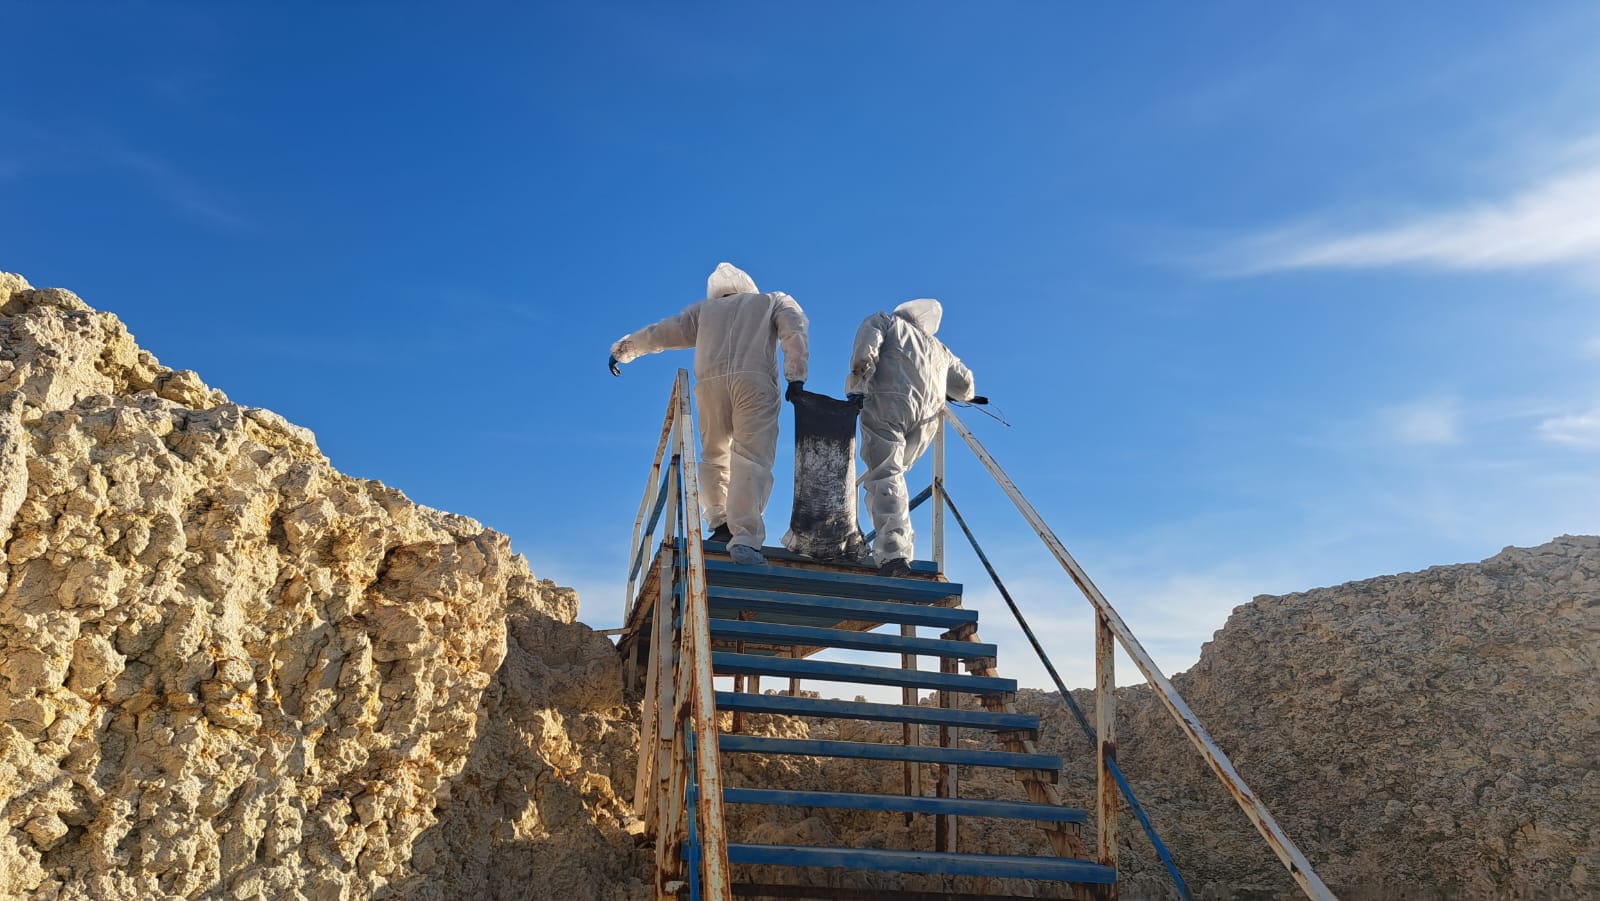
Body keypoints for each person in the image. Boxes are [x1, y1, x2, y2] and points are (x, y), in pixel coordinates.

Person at [608, 263, 809, 565]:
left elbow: (662, 332)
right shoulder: (771, 301)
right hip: (753, 382)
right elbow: (795, 329)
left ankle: (720, 524)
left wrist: (624, 349)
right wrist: (796, 377)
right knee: (751, 457)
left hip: (710, 385)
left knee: (714, 455)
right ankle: (745, 539)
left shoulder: (704, 311)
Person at [846, 299, 986, 576]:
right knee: (894, 475)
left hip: (887, 405)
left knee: (885, 474)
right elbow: (965, 383)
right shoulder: (940, 349)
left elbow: (864, 354)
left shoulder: (886, 321)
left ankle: (893, 552)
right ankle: (892, 542)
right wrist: (963, 396)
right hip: (926, 419)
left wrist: (856, 387)